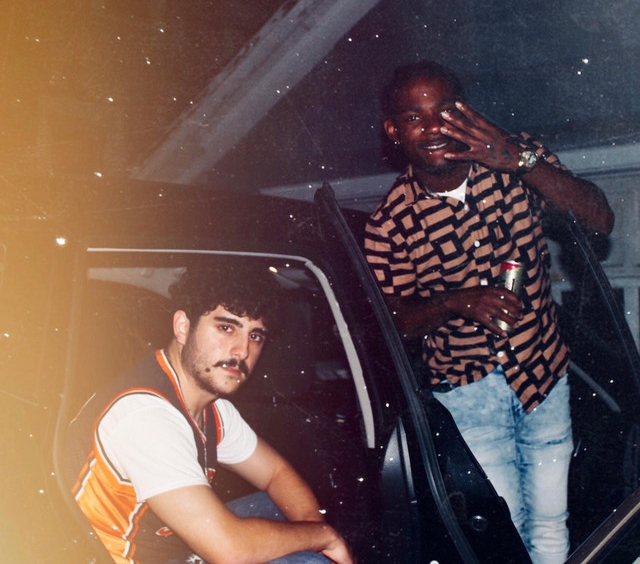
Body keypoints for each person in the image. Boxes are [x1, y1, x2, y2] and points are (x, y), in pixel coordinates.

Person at [364, 61, 614, 564]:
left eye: (444, 112)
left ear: (465, 112)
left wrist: (521, 161)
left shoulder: (516, 165)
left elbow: (600, 219)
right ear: (393, 131)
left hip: (543, 374)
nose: (433, 128)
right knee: (504, 532)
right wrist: (453, 301)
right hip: (467, 393)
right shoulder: (389, 225)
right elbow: (392, 326)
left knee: (551, 523)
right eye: (414, 117)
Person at [66, 259, 353, 564]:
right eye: (226, 328)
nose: (242, 351)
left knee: (284, 512)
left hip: (170, 549)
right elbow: (230, 552)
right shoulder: (145, 414)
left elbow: (275, 474)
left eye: (255, 335)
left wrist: (315, 531)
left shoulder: (211, 406)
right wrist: (324, 537)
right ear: (183, 327)